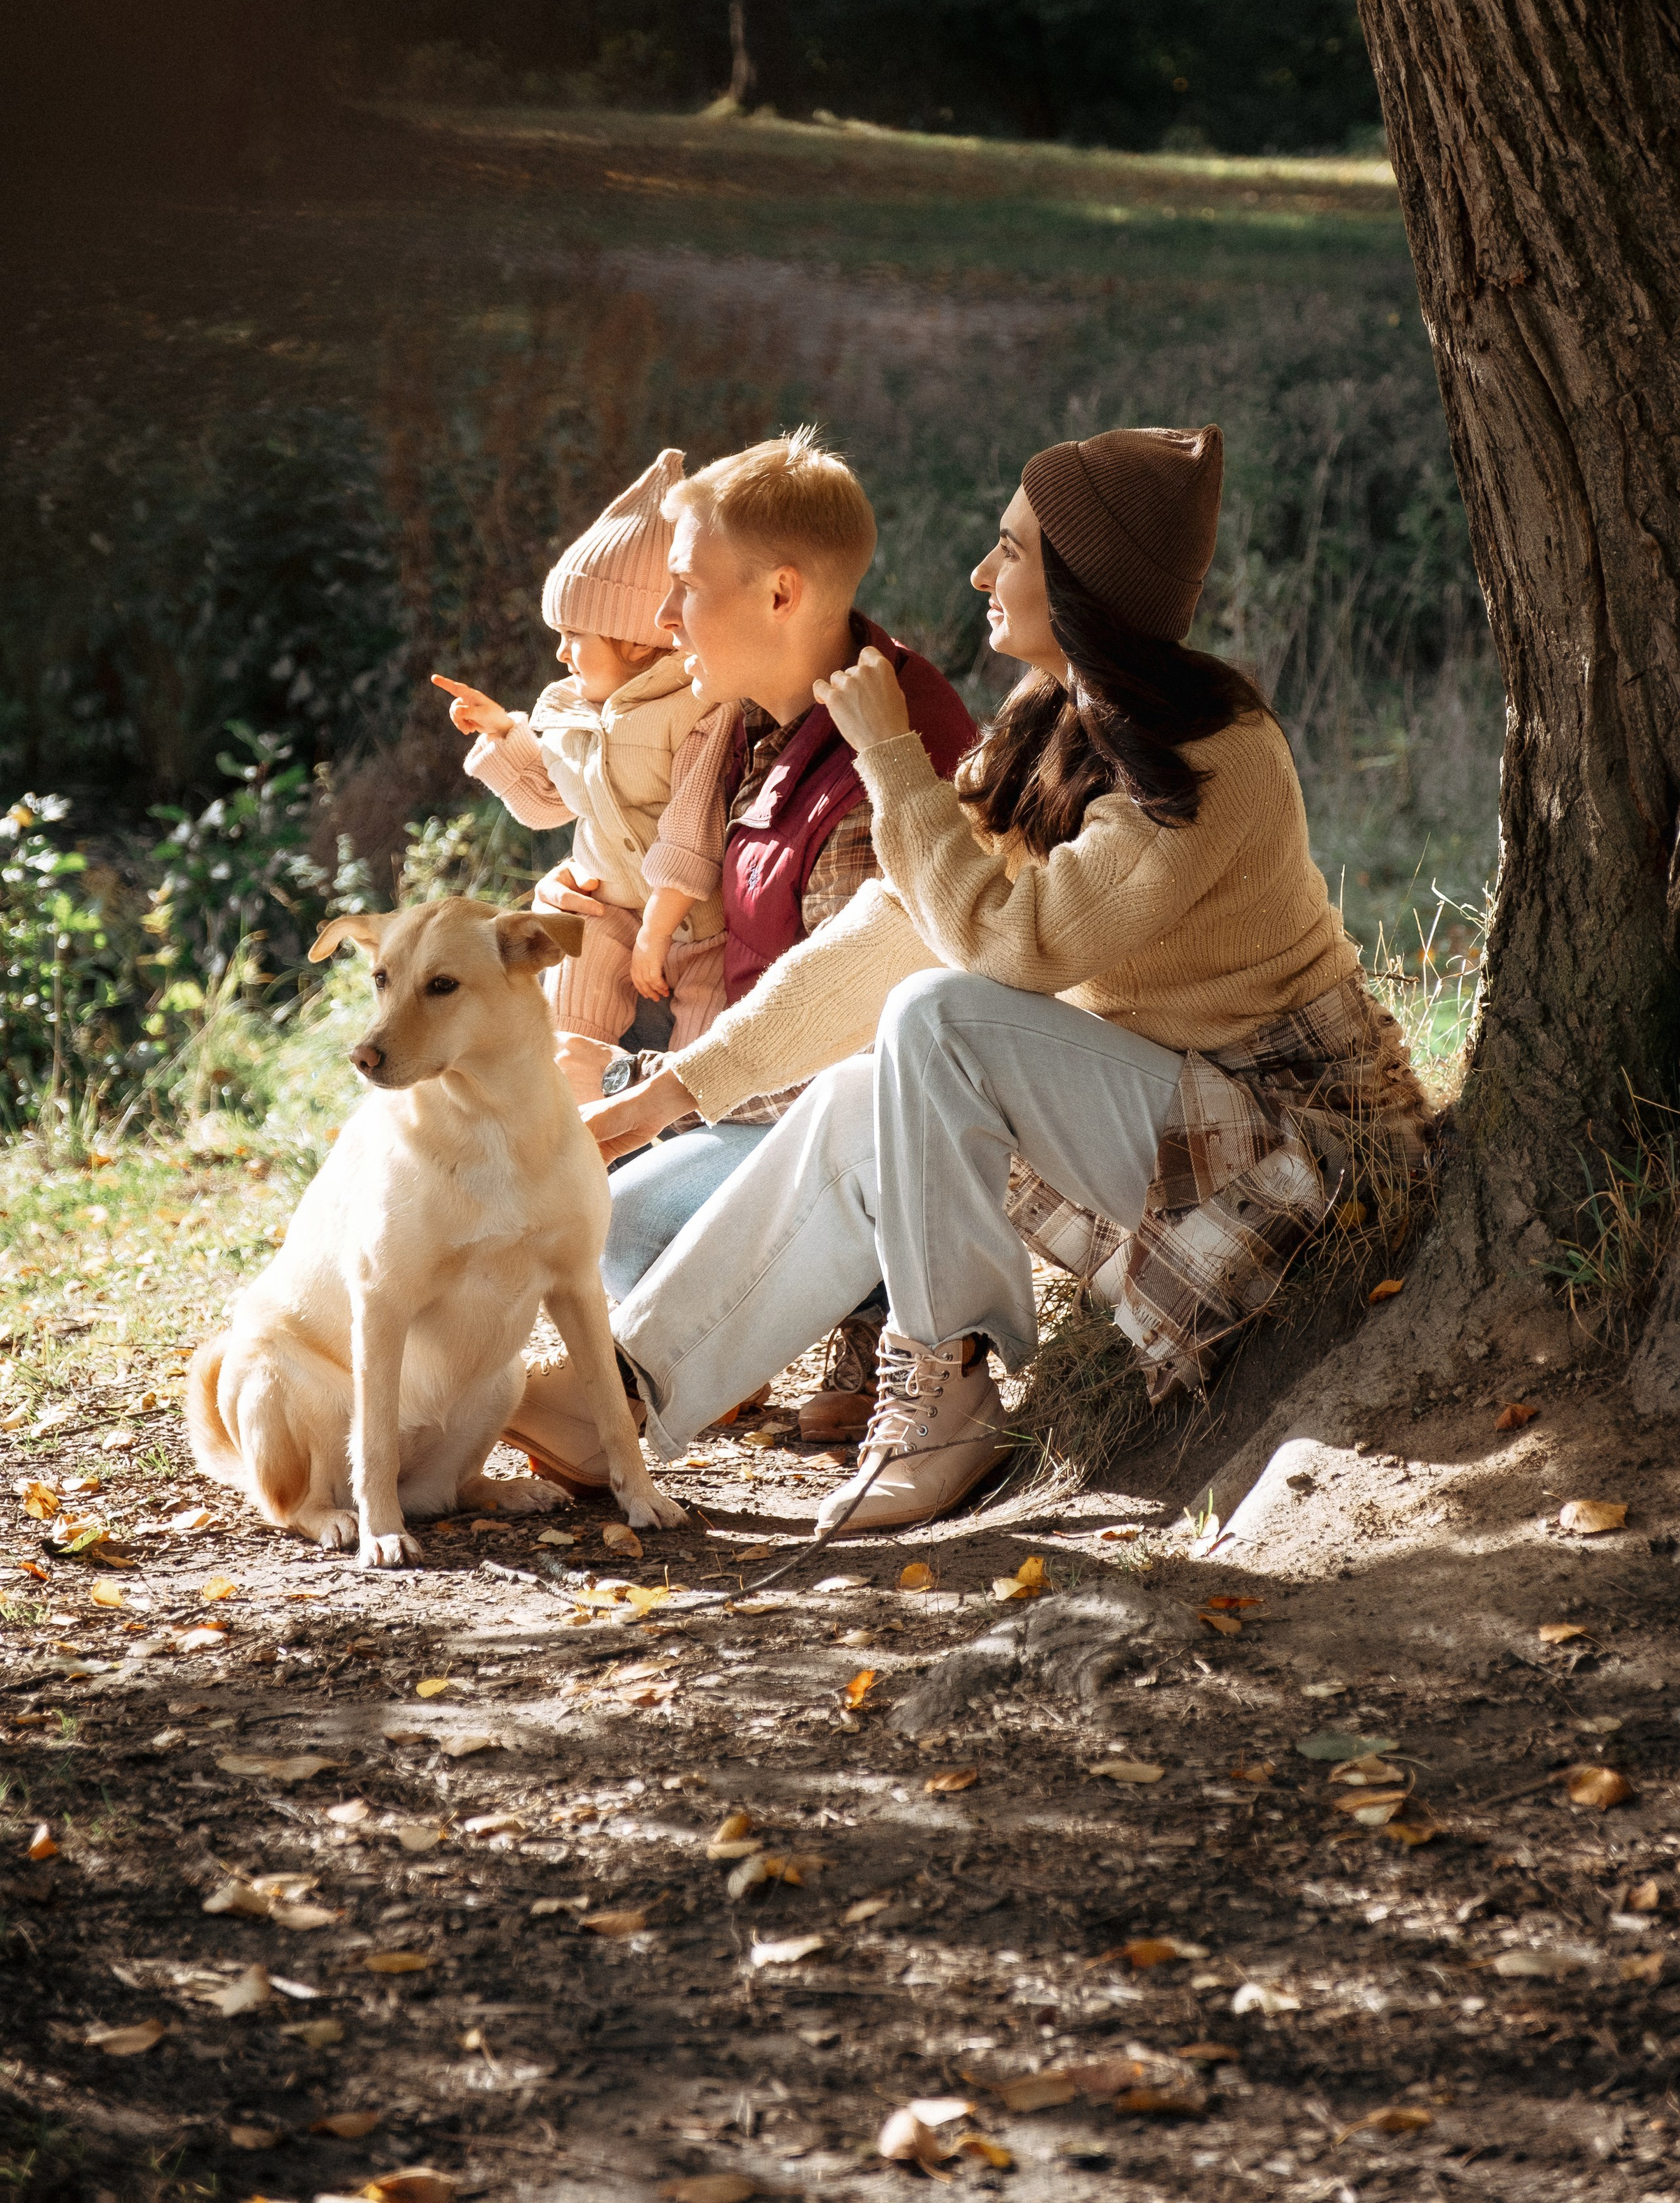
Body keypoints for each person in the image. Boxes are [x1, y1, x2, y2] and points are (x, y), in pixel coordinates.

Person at [587, 423, 1434, 1532]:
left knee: (938, 1019)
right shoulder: (1051, 722)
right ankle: (622, 1395)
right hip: (1171, 1120)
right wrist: (678, 1090)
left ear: (1083, 582)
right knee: (862, 1089)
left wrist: (894, 760)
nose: (983, 574)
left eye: (1011, 552)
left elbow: (1009, 952)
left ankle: (950, 1397)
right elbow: (896, 928)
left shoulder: (1217, 756)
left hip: (1289, 1154)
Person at [502, 428, 980, 1480]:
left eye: (684, 590)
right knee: (574, 1185)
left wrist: (644, 1101)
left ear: (780, 595)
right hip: (740, 1078)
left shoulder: (880, 760)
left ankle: (866, 1312)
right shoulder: (746, 723)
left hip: (843, 1119)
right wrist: (579, 908)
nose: (664, 621)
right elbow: (676, 897)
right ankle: (756, 1329)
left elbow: (849, 1032)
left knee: (604, 1213)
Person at [432, 449, 735, 1098]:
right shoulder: (568, 708)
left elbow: (693, 828)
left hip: (697, 922)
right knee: (561, 1024)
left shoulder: (698, 706)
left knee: (704, 1047)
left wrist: (657, 930)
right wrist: (505, 735)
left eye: (575, 635)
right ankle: (560, 1122)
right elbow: (548, 804)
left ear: (632, 637)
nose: (561, 652)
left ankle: (671, 1141)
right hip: (601, 909)